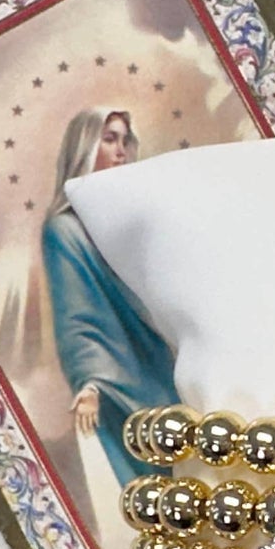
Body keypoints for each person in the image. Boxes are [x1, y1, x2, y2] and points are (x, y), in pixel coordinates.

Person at [42, 107, 177, 484]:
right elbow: (78, 315)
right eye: (109, 139)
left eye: (125, 140)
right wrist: (92, 381)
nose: (121, 150)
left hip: (170, 352)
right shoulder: (65, 230)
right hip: (124, 370)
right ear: (85, 146)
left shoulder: (132, 210)